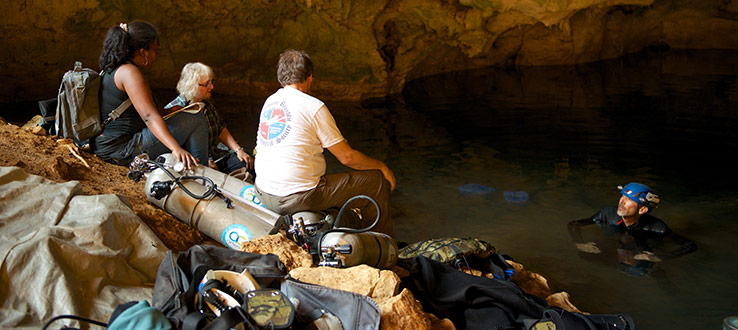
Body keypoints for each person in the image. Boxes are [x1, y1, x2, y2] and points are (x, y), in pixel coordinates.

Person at [253, 49, 396, 235]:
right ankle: (383, 242)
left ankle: (347, 224)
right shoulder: (313, 106)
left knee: (326, 177)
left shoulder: (270, 102)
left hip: (263, 191)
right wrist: (382, 167)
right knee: (373, 181)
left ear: (281, 79)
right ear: (310, 78)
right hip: (293, 197)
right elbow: (347, 157)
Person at [92, 21, 208, 169]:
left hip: (108, 145)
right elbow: (149, 117)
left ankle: (195, 169)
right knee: (195, 119)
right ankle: (202, 174)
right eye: (155, 50)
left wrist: (167, 112)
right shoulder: (130, 73)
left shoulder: (115, 68)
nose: (155, 55)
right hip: (121, 150)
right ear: (143, 52)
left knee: (185, 118)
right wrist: (175, 148)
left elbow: (136, 111)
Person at [568, 182, 696, 274]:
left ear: (642, 209)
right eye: (622, 196)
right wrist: (579, 243)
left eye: (629, 199)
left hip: (642, 252)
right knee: (583, 255)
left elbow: (690, 246)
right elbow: (574, 224)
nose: (621, 201)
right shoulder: (607, 214)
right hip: (618, 244)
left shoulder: (657, 228)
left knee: (652, 270)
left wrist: (661, 257)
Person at [164, 62, 254, 174]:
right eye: (206, 84)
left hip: (217, 155)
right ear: (192, 85)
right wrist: (206, 161)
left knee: (247, 163)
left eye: (211, 82)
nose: (212, 87)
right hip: (194, 164)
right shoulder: (176, 110)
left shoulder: (207, 102)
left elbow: (220, 128)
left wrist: (238, 150)